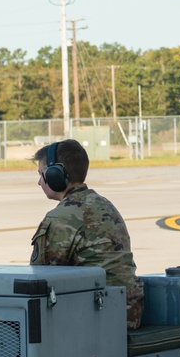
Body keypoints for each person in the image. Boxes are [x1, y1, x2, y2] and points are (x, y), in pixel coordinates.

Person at [30, 138, 144, 328]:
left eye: (42, 174)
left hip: (98, 320)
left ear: (56, 175)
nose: (39, 182)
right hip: (128, 313)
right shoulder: (104, 205)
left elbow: (39, 280)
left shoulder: (61, 218)